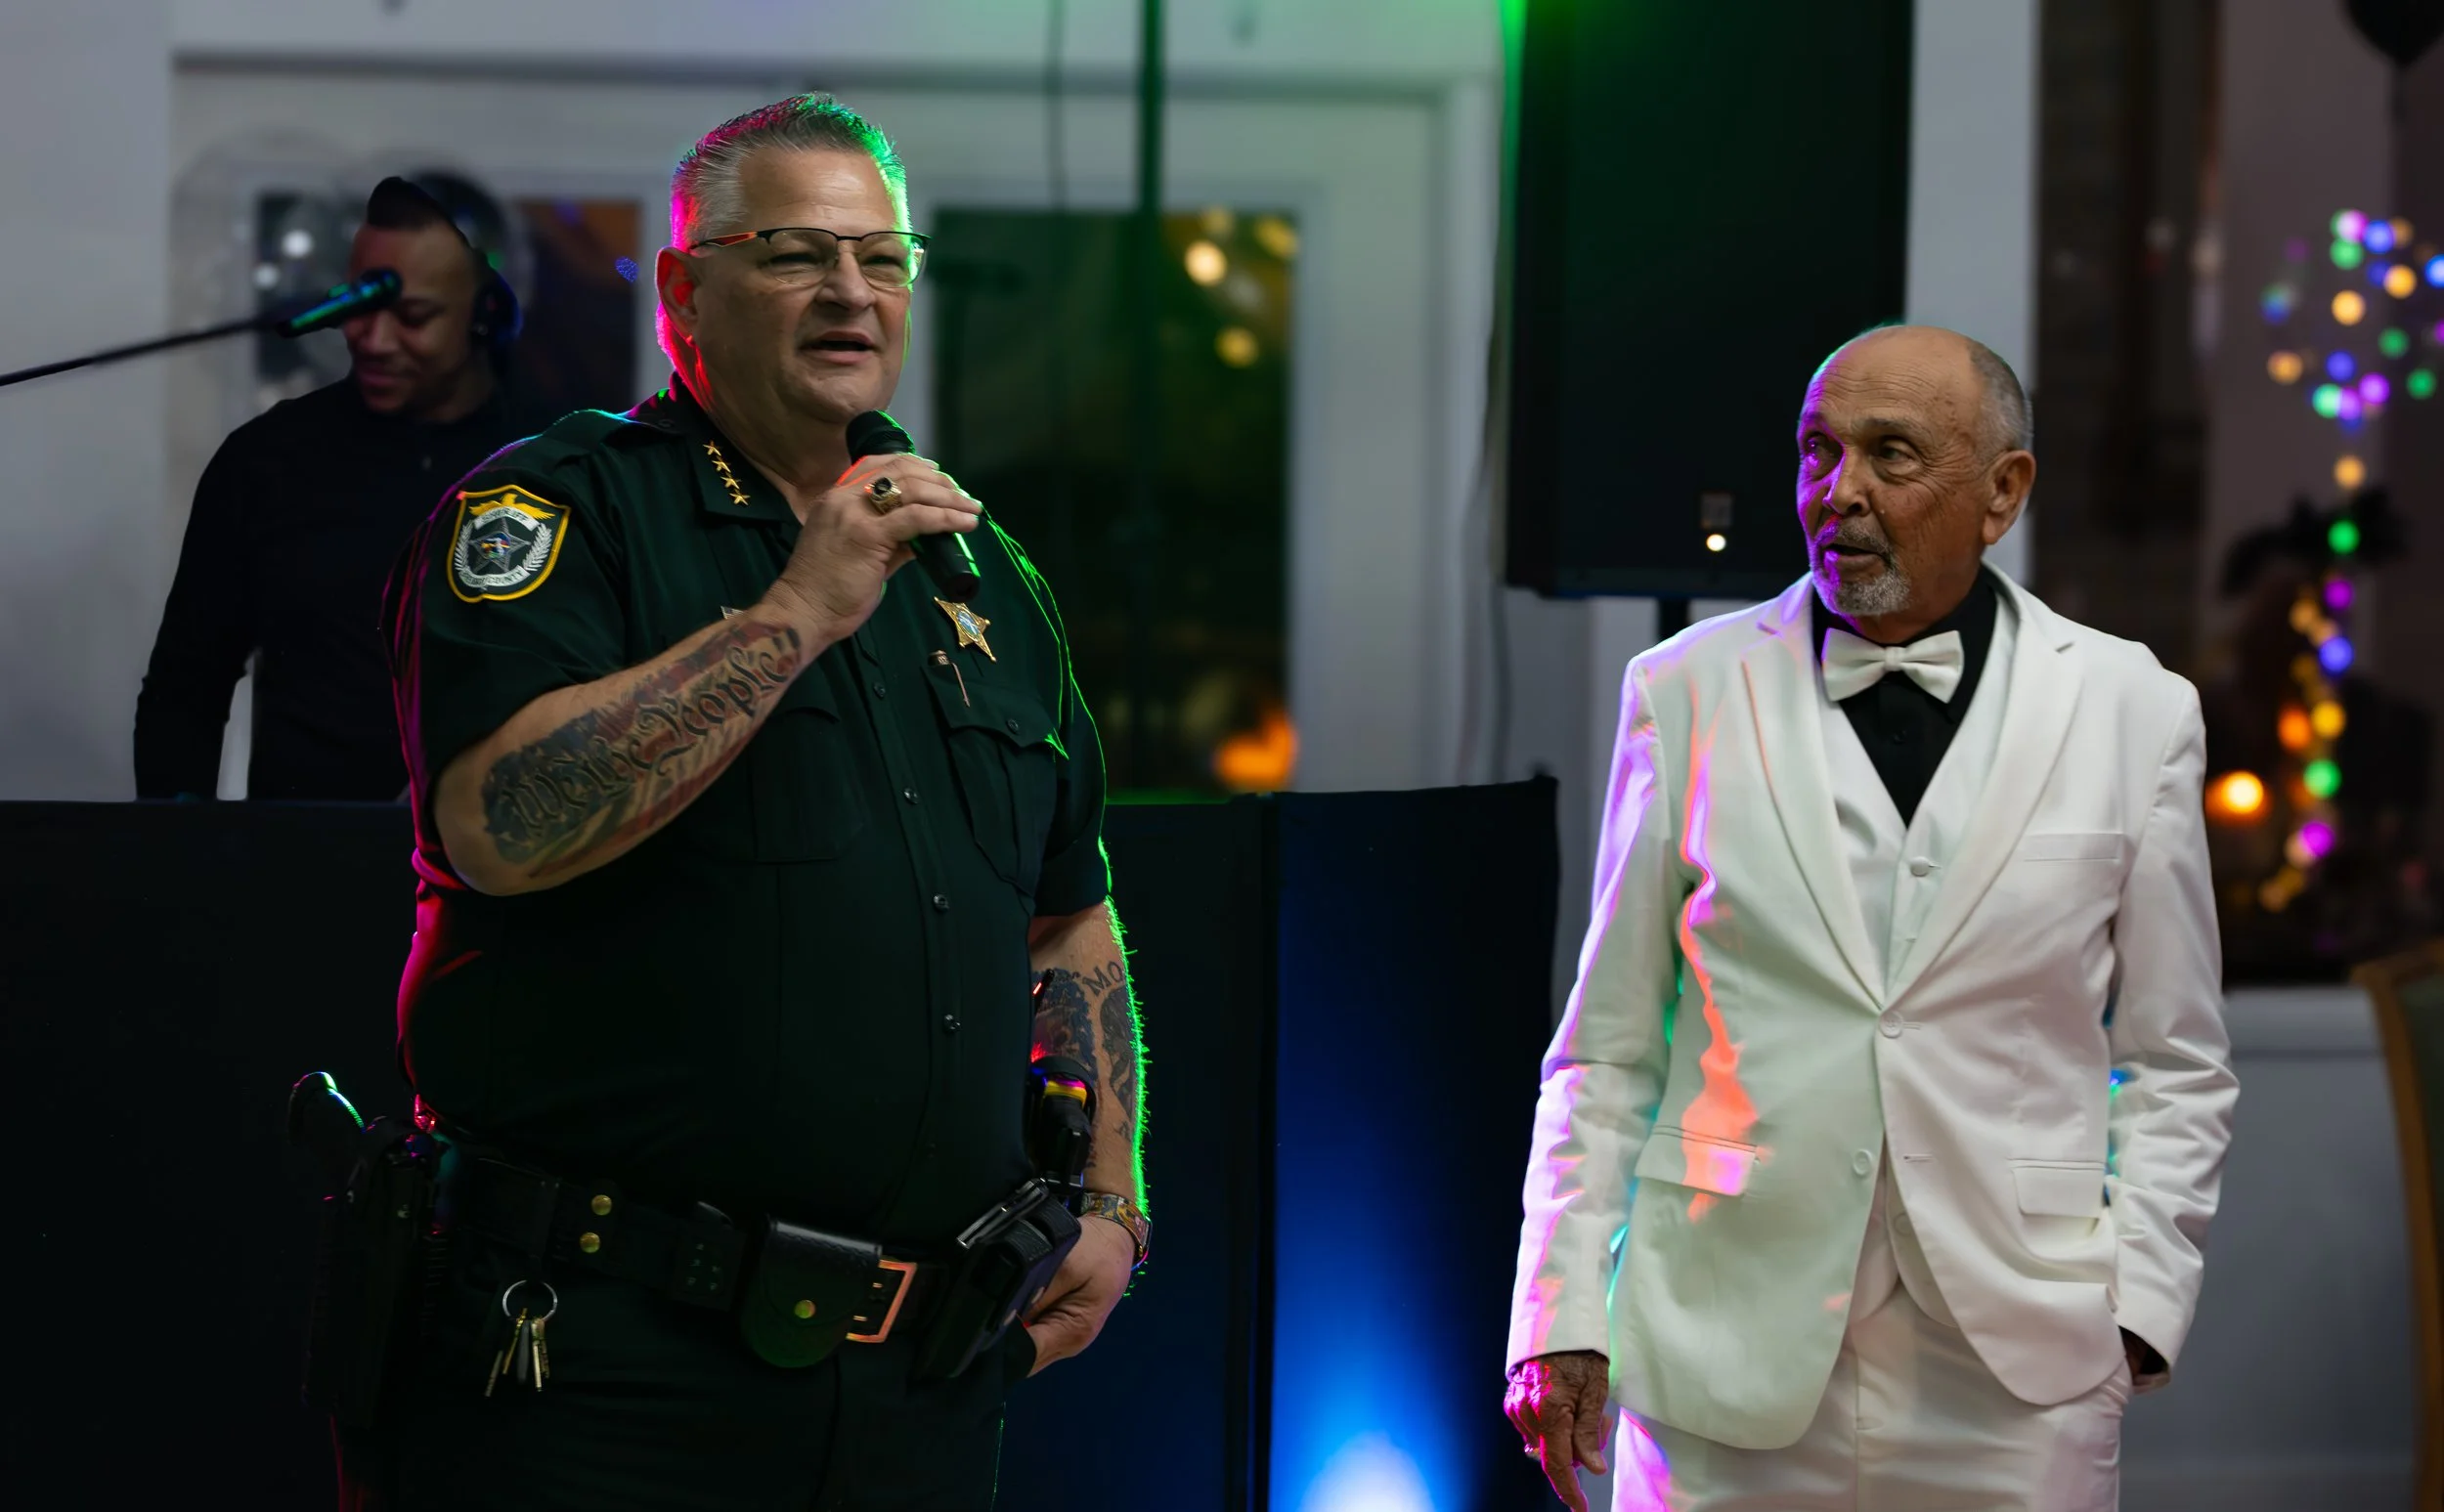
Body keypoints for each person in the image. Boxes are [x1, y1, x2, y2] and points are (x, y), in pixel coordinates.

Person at [369, 94, 1146, 1509]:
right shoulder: (562, 512)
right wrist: (797, 610)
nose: (852, 291)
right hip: (599, 1358)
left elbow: (1066, 918)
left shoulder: (982, 572)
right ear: (684, 292)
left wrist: (1108, 1197)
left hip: (917, 1369)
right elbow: (499, 826)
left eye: (883, 257)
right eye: (796, 253)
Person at [1502, 325, 2237, 1510]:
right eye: (1816, 450)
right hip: (1717, 1354)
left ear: (2002, 491)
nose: (1836, 491)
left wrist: (2138, 1307)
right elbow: (1606, 1048)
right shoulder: (1680, 691)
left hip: (2019, 1371)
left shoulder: (2132, 709)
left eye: (1889, 454)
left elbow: (2176, 1055)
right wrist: (1559, 1311)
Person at [135, 175, 542, 800]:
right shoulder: (266, 459)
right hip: (298, 853)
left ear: (484, 315)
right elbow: (185, 690)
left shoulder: (557, 462)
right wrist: (180, 847)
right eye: (358, 305)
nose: (372, 339)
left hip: (504, 856)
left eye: (413, 316)